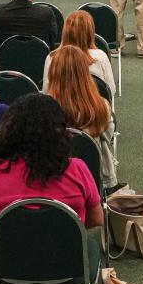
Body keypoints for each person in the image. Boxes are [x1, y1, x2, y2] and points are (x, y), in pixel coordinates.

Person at [0, 93, 103, 236]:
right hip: (66, 254)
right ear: (59, 130)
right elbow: (96, 219)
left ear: (10, 129)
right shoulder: (78, 169)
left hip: (9, 256)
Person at [45, 45, 117, 189]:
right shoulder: (101, 106)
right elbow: (108, 137)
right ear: (85, 72)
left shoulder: (42, 108)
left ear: (53, 72)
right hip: (92, 179)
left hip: (50, 178)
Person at [43, 11, 115, 94]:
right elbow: (111, 90)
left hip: (59, 106)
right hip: (92, 105)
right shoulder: (100, 57)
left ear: (65, 31)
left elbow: (46, 91)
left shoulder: (52, 58)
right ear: (90, 32)